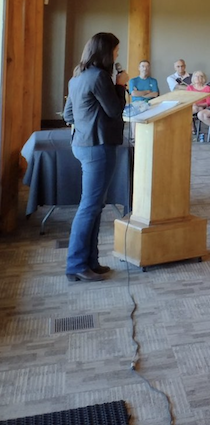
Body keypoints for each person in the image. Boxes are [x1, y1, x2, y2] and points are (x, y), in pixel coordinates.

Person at [61, 32, 128, 282]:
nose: (117, 55)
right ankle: (76, 264)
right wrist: (120, 85)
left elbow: (69, 115)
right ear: (106, 52)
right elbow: (114, 111)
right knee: (89, 207)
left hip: (82, 144)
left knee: (95, 205)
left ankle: (90, 261)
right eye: (116, 51)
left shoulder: (78, 76)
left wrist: (89, 119)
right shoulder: (100, 77)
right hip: (98, 147)